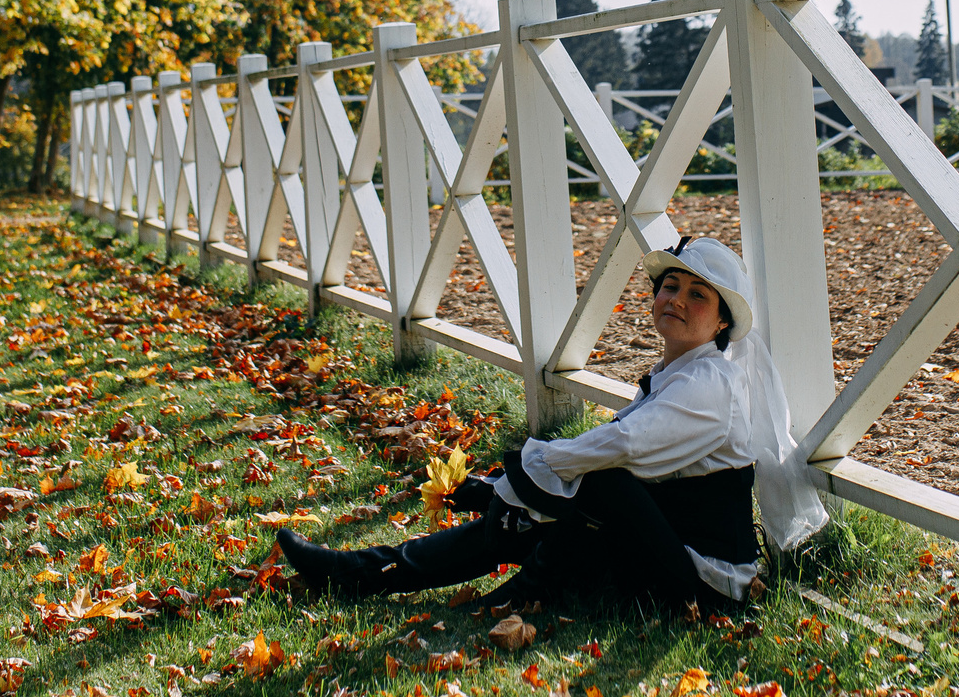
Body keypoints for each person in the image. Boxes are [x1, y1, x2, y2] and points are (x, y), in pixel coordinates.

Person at [274, 235, 825, 614]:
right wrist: (507, 484)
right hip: (663, 545)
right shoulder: (682, 371)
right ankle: (367, 573)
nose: (675, 301)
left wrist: (520, 477)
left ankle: (379, 573)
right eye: (670, 287)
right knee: (563, 511)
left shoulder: (709, 386)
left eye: (696, 295)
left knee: (596, 482)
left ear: (722, 320)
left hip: (706, 578)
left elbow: (623, 447)